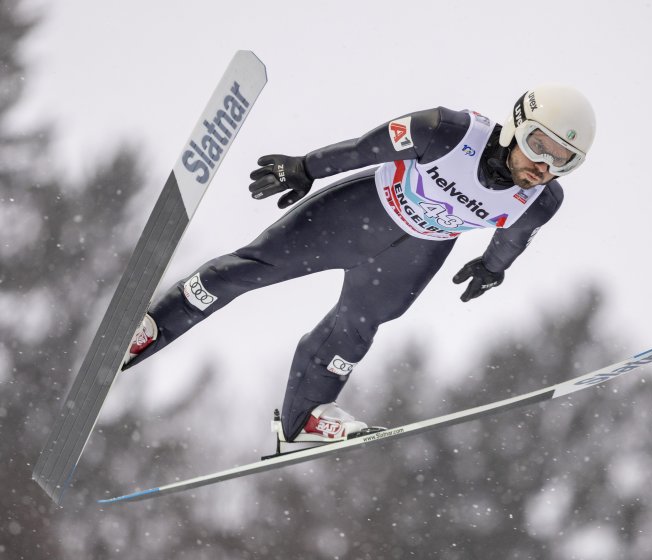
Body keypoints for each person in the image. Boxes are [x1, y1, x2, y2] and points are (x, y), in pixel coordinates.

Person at [123, 85, 596, 453]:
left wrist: (493, 268)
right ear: (517, 123)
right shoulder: (448, 131)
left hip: (413, 255)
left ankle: (302, 422)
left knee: (356, 330)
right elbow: (365, 149)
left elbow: (514, 238)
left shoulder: (540, 200)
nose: (543, 165)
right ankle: (150, 326)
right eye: (539, 145)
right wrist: (307, 167)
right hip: (358, 215)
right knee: (253, 268)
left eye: (563, 160)